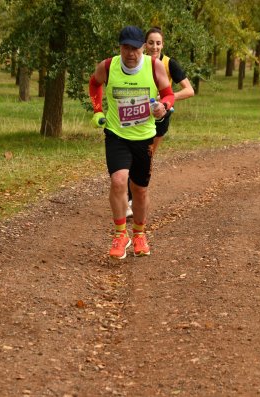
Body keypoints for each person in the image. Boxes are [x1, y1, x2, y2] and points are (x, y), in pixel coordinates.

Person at [89, 26, 175, 259]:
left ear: (143, 48)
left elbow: (169, 94)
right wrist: (97, 110)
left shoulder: (153, 66)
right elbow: (94, 84)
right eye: (126, 48)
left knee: (139, 189)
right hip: (117, 135)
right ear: (120, 47)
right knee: (118, 181)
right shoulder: (108, 66)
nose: (131, 53)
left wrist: (163, 108)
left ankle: (139, 233)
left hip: (144, 137)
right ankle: (120, 235)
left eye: (135, 48)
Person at [125, 26, 195, 217]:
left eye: (158, 43)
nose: (154, 47)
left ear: (163, 45)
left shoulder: (169, 63)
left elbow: (189, 90)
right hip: (137, 114)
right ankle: (128, 199)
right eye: (150, 43)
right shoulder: (135, 62)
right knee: (130, 155)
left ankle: (133, 199)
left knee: (145, 157)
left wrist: (166, 100)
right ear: (144, 45)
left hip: (160, 117)